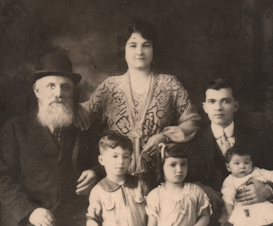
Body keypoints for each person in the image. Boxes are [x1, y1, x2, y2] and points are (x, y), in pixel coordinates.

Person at [80, 19, 200, 185]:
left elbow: (192, 121)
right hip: (117, 179)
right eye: (133, 46)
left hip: (160, 179)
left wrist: (164, 136)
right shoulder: (110, 86)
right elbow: (83, 115)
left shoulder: (169, 84)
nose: (140, 51)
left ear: (153, 49)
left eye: (146, 45)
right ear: (123, 50)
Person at [0, 53, 99, 226]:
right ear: (37, 91)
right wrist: (29, 211)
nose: (58, 93)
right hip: (32, 216)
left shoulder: (83, 126)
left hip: (76, 217)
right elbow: (2, 177)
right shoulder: (15, 128)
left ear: (72, 92)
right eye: (51, 86)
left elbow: (105, 158)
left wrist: (96, 172)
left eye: (65, 87)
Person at [188, 78, 273, 225]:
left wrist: (269, 190)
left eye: (225, 101)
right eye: (212, 101)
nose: (218, 108)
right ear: (204, 107)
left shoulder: (258, 138)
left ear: (236, 106)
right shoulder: (193, 142)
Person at [221, 145, 273, 226]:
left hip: (264, 206)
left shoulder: (258, 171)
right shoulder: (230, 181)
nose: (242, 166)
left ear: (251, 163)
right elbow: (228, 199)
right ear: (228, 167)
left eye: (246, 162)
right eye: (237, 163)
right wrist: (230, 216)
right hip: (244, 210)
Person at [86, 133, 148, 226]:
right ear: (102, 160)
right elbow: (92, 220)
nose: (120, 162)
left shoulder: (140, 185)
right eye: (115, 156)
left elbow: (152, 214)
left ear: (130, 160)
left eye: (125, 157)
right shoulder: (98, 191)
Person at [146, 143, 212, 226]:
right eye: (173, 165)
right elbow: (152, 224)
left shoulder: (195, 191)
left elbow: (205, 216)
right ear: (161, 166)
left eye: (183, 164)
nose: (179, 169)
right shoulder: (155, 196)